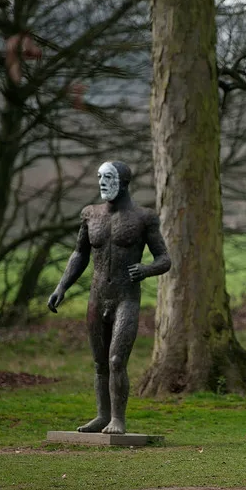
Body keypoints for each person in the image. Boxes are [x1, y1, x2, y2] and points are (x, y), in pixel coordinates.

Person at [48, 161, 171, 434]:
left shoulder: (143, 217)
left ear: (124, 182)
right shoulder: (90, 214)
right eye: (100, 177)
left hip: (126, 297)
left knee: (117, 360)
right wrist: (61, 287)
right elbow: (79, 253)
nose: (102, 182)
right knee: (99, 362)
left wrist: (146, 269)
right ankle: (102, 416)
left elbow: (164, 259)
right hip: (97, 296)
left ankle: (118, 419)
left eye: (109, 177)